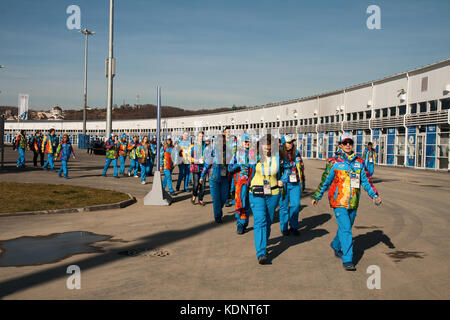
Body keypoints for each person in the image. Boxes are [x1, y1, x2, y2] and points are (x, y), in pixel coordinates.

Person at [312, 132, 382, 271]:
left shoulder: (359, 162)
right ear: (340, 145)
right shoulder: (334, 162)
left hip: (353, 201)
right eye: (345, 143)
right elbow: (326, 181)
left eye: (350, 142)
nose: (348, 145)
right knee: (346, 230)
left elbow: (366, 181)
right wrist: (317, 196)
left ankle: (336, 245)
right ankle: (348, 259)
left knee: (346, 228)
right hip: (338, 201)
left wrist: (374, 195)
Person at [248, 134, 283, 264]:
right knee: (260, 221)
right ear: (260, 145)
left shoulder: (278, 157)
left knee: (268, 221)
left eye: (269, 145)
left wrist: (282, 180)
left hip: (273, 193)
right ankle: (261, 252)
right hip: (256, 192)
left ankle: (263, 241)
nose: (266, 147)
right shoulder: (253, 156)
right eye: (264, 144)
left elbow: (289, 170)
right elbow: (245, 170)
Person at [199, 130, 232, 224]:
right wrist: (202, 176)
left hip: (224, 177)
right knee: (216, 199)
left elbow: (232, 163)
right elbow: (206, 164)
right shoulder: (212, 152)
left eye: (223, 141)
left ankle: (218, 210)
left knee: (224, 197)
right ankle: (217, 216)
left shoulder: (228, 152)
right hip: (214, 178)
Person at [228, 134, 257, 234]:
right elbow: (230, 167)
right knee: (240, 201)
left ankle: (244, 223)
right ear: (242, 142)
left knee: (248, 203)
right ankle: (240, 223)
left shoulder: (254, 153)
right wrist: (238, 165)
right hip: (240, 182)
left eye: (249, 141)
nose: (247, 143)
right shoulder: (237, 153)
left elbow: (255, 167)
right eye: (246, 141)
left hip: (251, 181)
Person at [278, 135, 306, 236]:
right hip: (284, 183)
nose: (290, 144)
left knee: (295, 205)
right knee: (284, 206)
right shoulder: (279, 154)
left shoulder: (297, 152)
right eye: (288, 142)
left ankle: (293, 226)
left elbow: (301, 168)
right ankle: (284, 227)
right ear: (283, 143)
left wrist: (303, 183)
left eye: (291, 142)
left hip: (295, 183)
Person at [190, 131, 206, 206]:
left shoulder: (205, 145)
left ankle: (200, 199)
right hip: (196, 167)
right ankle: (194, 195)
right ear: (197, 137)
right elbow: (189, 157)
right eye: (200, 136)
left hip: (204, 167)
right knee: (196, 184)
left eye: (202, 136)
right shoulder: (193, 146)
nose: (201, 138)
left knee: (202, 185)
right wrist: (196, 160)